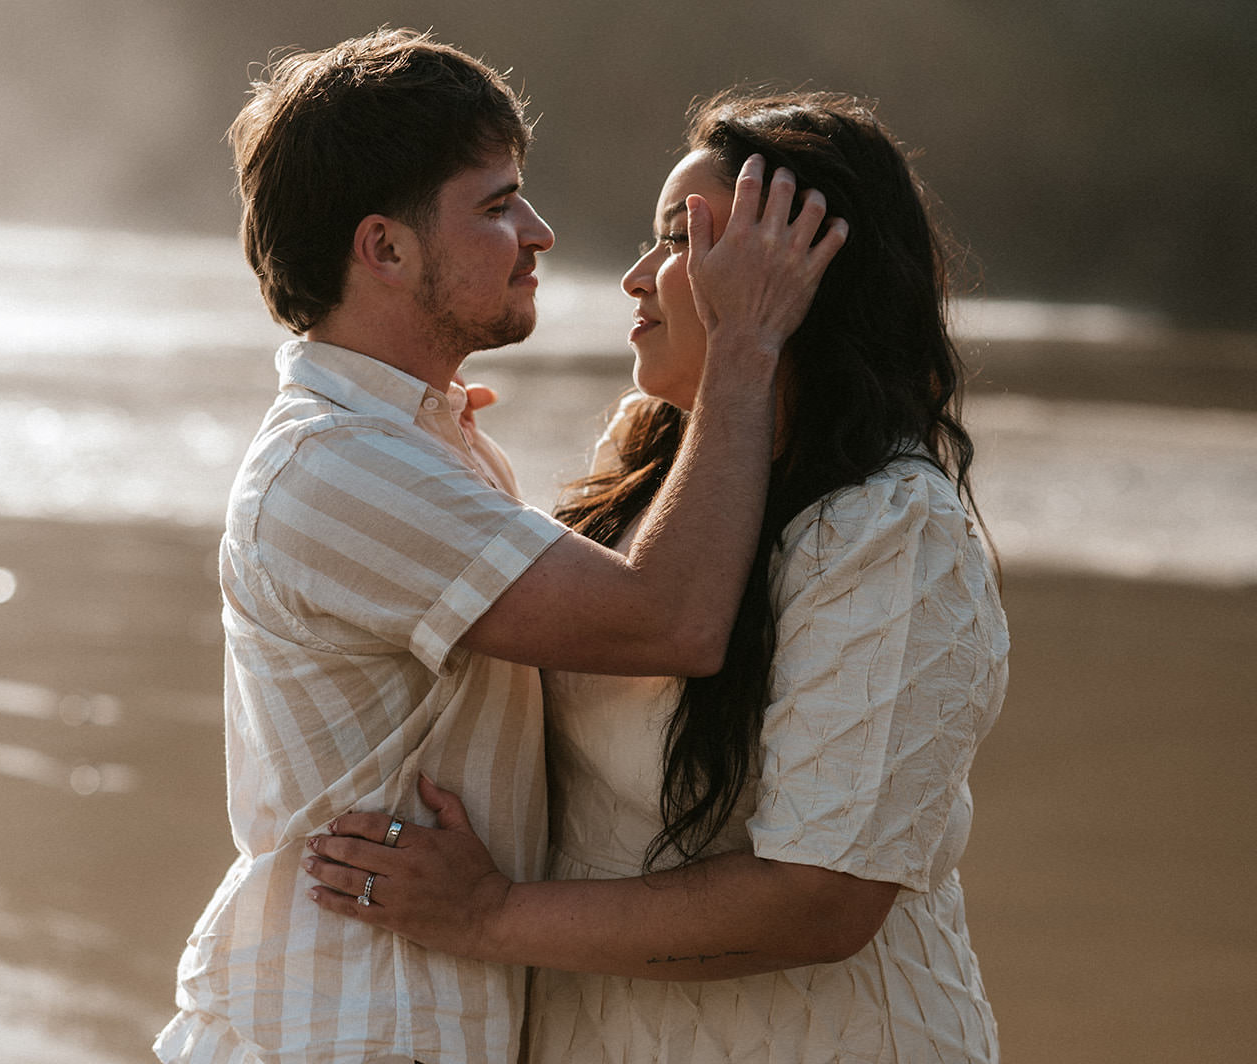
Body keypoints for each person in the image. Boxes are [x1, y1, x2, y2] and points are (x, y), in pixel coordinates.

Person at [153, 33, 846, 1064]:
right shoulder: (340, 467)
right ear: (382, 248)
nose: (539, 232)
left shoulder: (410, 442)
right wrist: (742, 346)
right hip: (334, 1031)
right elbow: (670, 619)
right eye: (495, 205)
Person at [306, 90, 1009, 1063]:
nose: (638, 277)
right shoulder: (646, 486)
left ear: (797, 274)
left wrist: (489, 913)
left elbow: (822, 898)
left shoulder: (889, 531)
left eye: (684, 241)